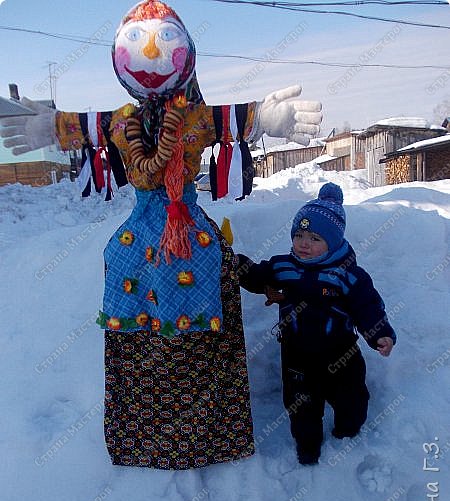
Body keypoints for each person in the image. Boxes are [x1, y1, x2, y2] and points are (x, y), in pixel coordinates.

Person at [0, 0, 322, 470]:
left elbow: (231, 119)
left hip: (189, 234)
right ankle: (147, 442)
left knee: (202, 312)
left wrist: (263, 119)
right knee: (139, 334)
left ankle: (205, 438)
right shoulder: (120, 121)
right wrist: (52, 125)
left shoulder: (193, 118)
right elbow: (82, 127)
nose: (151, 51)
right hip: (142, 244)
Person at [238, 183, 396, 465]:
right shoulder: (284, 267)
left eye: (314, 238)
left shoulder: (348, 275)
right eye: (298, 235)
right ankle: (307, 446)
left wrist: (379, 333)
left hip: (341, 353)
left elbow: (367, 306)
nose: (303, 243)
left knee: (351, 399)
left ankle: (347, 431)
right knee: (301, 405)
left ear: (333, 242)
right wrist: (235, 264)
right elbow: (258, 276)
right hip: (296, 354)